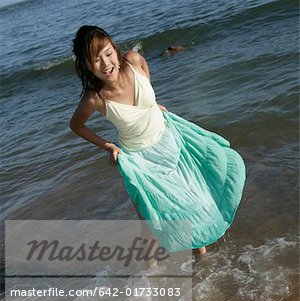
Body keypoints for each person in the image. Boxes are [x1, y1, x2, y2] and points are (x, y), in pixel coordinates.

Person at [70, 25, 246, 264]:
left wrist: (152, 103)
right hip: (140, 159)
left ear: (115, 49)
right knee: (150, 218)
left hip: (168, 139)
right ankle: (150, 271)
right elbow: (76, 126)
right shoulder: (95, 98)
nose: (106, 63)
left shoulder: (133, 60)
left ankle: (201, 256)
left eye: (108, 53)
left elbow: (144, 71)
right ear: (87, 65)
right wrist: (108, 146)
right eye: (96, 59)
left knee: (191, 196)